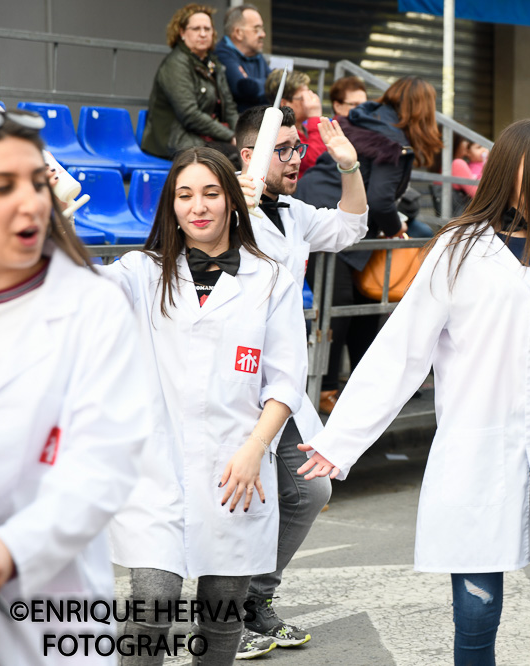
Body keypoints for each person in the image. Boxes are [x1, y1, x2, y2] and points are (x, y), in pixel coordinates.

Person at [298, 119, 530, 665]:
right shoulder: (458, 251)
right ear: (508, 173)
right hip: (478, 449)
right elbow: (401, 352)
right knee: (478, 614)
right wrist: (337, 441)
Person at [102, 147, 307, 664]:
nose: (199, 206)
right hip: (158, 468)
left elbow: (286, 381)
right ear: (170, 206)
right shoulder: (142, 272)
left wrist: (255, 448)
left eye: (212, 193)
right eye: (185, 194)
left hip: (235, 472)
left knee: (221, 619)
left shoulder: (271, 281)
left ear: (233, 201)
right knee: (151, 605)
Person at [0, 109, 150, 665]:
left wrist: (8, 551)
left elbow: (102, 464)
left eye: (37, 182)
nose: (30, 201)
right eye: (1, 187)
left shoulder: (92, 306)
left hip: (52, 619)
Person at [230, 103, 368, 656]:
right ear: (252, 154)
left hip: (281, 384)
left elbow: (352, 225)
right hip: (232, 382)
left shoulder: (290, 211)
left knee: (310, 489)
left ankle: (255, 601)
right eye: (284, 148)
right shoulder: (220, 208)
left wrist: (349, 167)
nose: (296, 158)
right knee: (239, 503)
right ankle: (224, 615)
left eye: (298, 148)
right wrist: (228, 212)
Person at [297, 76, 442, 414]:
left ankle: (357, 386)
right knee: (339, 306)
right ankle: (326, 388)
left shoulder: (367, 117)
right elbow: (379, 201)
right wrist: (395, 230)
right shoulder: (395, 141)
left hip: (319, 208)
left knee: (358, 304)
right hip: (334, 220)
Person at [141, 4, 239, 161]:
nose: (202, 34)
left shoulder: (214, 64)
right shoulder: (175, 64)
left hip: (205, 137)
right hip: (176, 139)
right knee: (233, 158)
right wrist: (230, 136)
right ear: (182, 33)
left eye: (207, 29)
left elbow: (230, 108)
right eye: (196, 29)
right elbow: (190, 115)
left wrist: (240, 135)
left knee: (246, 153)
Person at [264, 70, 327, 176]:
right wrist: (315, 116)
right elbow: (314, 162)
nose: (311, 101)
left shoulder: (307, 127)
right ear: (284, 103)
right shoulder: (279, 133)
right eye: (303, 98)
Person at [214, 4, 270, 113]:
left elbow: (278, 84)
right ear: (238, 33)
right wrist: (267, 84)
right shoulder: (221, 54)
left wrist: (254, 84)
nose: (263, 34)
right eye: (257, 29)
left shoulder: (256, 55)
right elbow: (245, 89)